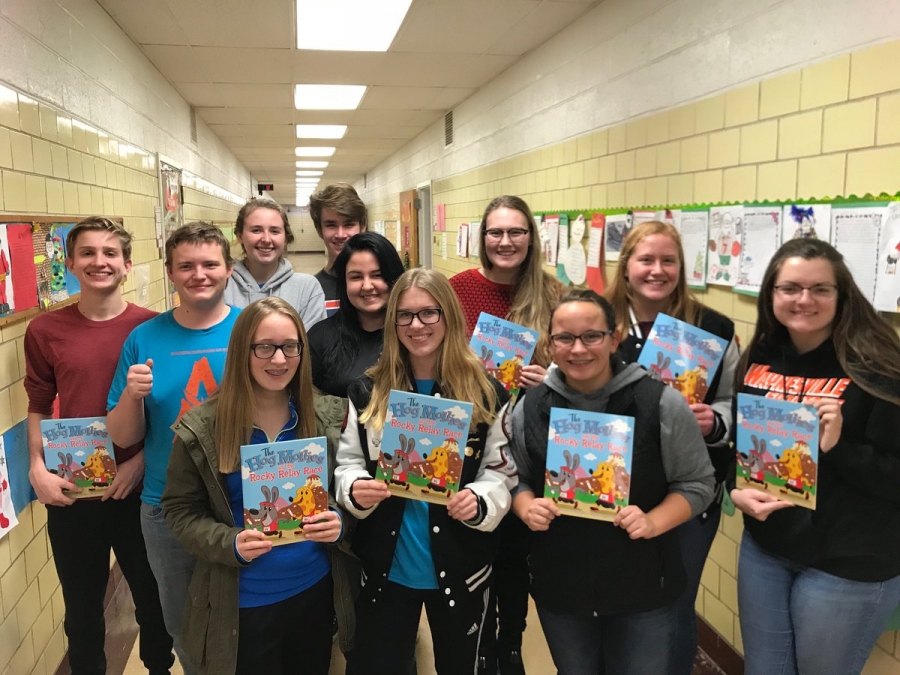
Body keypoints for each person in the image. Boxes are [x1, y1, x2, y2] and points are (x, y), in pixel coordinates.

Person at [509, 289, 714, 675]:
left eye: (591, 336)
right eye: (564, 338)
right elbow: (515, 476)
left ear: (613, 338)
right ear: (550, 344)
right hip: (561, 587)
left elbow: (698, 484)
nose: (578, 349)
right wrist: (525, 505)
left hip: (642, 588)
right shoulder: (531, 406)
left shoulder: (660, 403)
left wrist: (653, 520)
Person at [334, 268, 516, 675]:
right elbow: (348, 463)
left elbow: (500, 471)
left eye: (429, 313)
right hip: (388, 565)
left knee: (463, 665)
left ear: (449, 315)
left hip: (462, 564)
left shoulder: (487, 391)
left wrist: (481, 499)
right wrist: (356, 488)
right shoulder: (367, 391)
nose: (416, 325)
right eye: (405, 315)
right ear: (392, 321)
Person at [731, 238, 900, 675]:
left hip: (847, 563)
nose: (804, 300)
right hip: (766, 547)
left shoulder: (879, 366)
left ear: (841, 295)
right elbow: (747, 448)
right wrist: (738, 491)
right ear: (771, 294)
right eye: (790, 288)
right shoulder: (760, 356)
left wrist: (839, 448)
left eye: (820, 289)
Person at [161, 298, 349, 674]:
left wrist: (340, 522)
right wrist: (229, 542)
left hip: (313, 593)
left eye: (290, 347)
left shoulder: (327, 415)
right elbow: (179, 511)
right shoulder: (203, 428)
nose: (279, 360)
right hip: (244, 604)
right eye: (264, 347)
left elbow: (348, 491)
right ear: (242, 350)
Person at [24, 217, 174, 675]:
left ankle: (159, 668)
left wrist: (139, 464)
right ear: (69, 263)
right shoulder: (45, 330)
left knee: (153, 600)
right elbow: (38, 405)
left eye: (110, 254)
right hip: (73, 489)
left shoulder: (154, 330)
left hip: (140, 488)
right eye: (87, 253)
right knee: (82, 608)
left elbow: (169, 415)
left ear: (128, 265)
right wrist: (36, 467)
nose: (99, 262)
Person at [605, 220, 739, 674]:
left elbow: (735, 404)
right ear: (626, 266)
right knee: (617, 601)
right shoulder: (600, 321)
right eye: (646, 259)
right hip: (616, 492)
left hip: (689, 493)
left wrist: (714, 421)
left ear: (681, 268)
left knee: (675, 603)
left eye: (668, 261)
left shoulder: (713, 327)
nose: (657, 270)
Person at [107, 221, 241, 675]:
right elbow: (123, 437)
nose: (198, 274)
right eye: (186, 265)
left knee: (249, 617)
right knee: (184, 622)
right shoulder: (144, 338)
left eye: (209, 263)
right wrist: (132, 395)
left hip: (243, 497)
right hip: (167, 505)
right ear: (170, 272)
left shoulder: (252, 328)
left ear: (228, 268)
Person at [449, 195, 563, 674]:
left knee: (517, 553)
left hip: (531, 444)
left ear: (531, 238)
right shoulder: (457, 289)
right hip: (471, 442)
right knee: (473, 547)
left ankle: (509, 645)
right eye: (496, 232)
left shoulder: (554, 294)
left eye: (516, 232)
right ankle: (474, 644)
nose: (506, 241)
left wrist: (550, 376)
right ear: (483, 239)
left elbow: (581, 363)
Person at [308, 232, 404, 397]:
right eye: (356, 277)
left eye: (377, 275)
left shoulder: (412, 335)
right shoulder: (320, 337)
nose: (367, 286)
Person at [224, 197, 325, 329]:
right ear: (240, 236)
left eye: (275, 231)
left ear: (285, 239)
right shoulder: (222, 286)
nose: (266, 239)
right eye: (256, 230)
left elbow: (311, 345)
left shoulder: (307, 288)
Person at [308, 183, 367, 316]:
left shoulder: (379, 287)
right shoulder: (311, 290)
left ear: (362, 227)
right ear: (319, 230)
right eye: (331, 225)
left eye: (348, 224)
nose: (340, 235)